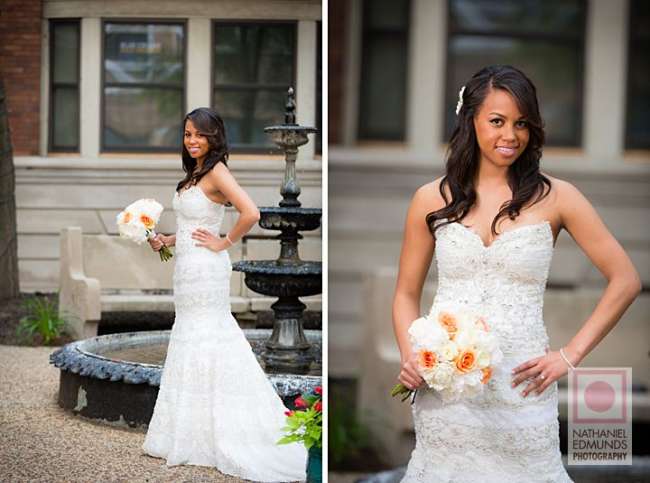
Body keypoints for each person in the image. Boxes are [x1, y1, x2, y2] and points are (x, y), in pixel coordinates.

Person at [392, 65, 641, 482]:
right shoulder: (429, 199)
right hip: (448, 392)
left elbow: (626, 279)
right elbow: (404, 295)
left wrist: (570, 355)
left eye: (521, 123)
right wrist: (412, 355)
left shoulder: (558, 197)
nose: (511, 135)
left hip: (523, 388)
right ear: (470, 120)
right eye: (497, 121)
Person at [142, 107, 307, 481]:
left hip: (205, 269)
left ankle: (226, 430)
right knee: (190, 338)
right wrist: (166, 239)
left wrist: (224, 242)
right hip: (186, 267)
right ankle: (190, 433)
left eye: (199, 134)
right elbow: (191, 226)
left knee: (210, 337)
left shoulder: (217, 171)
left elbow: (250, 212)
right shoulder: (194, 174)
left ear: (214, 137)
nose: (192, 140)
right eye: (187, 134)